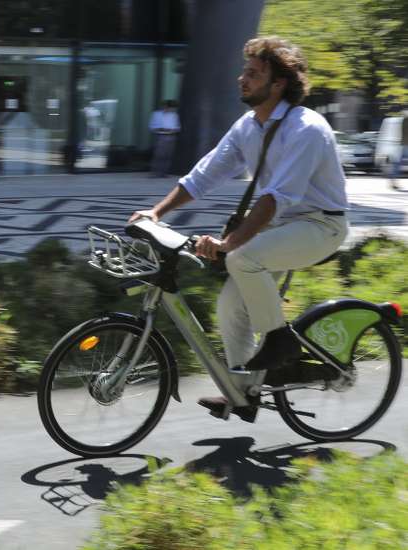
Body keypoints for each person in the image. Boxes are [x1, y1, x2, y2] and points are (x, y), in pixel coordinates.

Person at [129, 36, 349, 422]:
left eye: (253, 73)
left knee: (244, 258)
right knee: (229, 305)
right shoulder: (248, 126)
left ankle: (279, 342)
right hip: (282, 227)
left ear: (278, 83)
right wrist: (157, 212)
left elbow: (275, 198)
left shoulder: (306, 129)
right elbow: (204, 175)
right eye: (244, 71)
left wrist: (229, 243)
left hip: (321, 225)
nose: (241, 79)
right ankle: (242, 392)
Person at [149, 100, 180, 177]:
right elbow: (151, 126)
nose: (170, 110)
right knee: (159, 155)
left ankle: (164, 173)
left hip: (171, 136)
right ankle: (155, 172)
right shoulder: (157, 114)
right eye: (169, 108)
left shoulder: (174, 115)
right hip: (161, 136)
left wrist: (173, 130)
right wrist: (160, 129)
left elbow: (178, 127)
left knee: (168, 155)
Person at [389, 111, 408, 191]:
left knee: (397, 164)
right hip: (405, 145)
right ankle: (393, 182)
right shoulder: (405, 120)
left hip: (402, 144)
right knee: (397, 164)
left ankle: (393, 181)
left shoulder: (403, 120)